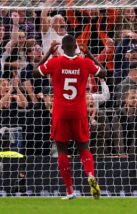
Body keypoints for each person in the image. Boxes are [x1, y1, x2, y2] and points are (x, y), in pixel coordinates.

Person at [36, 35, 107, 200]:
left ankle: (70, 191)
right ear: (76, 47)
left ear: (61, 48)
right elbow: (103, 73)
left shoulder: (55, 62)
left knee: (62, 151)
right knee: (84, 149)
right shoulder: (85, 62)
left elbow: (34, 73)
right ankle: (90, 174)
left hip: (60, 113)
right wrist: (89, 54)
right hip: (79, 112)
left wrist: (48, 53)